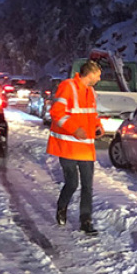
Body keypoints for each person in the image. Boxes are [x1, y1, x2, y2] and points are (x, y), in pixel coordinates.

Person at [47, 60, 105, 233]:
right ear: (91, 73)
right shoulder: (68, 86)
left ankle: (86, 221)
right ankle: (62, 207)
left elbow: (92, 114)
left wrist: (98, 127)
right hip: (67, 147)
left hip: (86, 148)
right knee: (72, 183)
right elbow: (56, 112)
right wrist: (74, 129)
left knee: (88, 186)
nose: (99, 79)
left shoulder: (91, 92)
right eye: (98, 75)